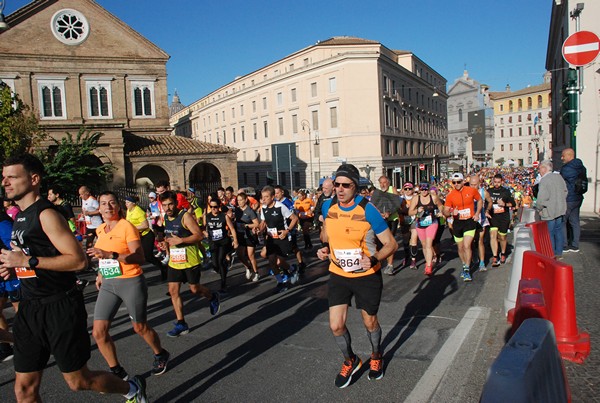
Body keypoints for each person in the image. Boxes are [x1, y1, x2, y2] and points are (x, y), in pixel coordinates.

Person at [0, 153, 147, 402]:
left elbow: (78, 260)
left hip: (59, 306)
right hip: (29, 307)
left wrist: (28, 261)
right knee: (23, 391)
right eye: (4, 177)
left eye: (12, 177)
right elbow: (35, 258)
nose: (5, 182)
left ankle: (131, 389)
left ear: (34, 179)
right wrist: (16, 268)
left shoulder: (46, 214)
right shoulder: (19, 218)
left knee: (79, 381)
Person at [317, 164, 398, 388]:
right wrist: (324, 249)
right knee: (335, 325)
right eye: (336, 185)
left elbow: (391, 244)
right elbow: (326, 236)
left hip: (366, 275)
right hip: (338, 274)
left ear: (356, 187)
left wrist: (373, 259)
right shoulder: (327, 207)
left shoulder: (368, 210)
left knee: (369, 322)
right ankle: (351, 360)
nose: (340, 189)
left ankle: (375, 355)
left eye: (346, 185)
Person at [88, 191, 170, 380]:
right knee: (98, 332)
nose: (107, 207)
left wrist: (112, 255)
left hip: (130, 281)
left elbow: (139, 257)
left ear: (118, 206)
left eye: (111, 203)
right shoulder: (100, 229)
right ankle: (117, 372)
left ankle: (160, 353)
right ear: (98, 208)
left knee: (139, 327)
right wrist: (101, 274)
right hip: (109, 282)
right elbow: (101, 256)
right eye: (103, 203)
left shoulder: (127, 227)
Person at [159, 191, 221, 337]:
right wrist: (165, 244)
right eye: (164, 205)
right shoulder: (165, 218)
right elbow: (169, 236)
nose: (167, 208)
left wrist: (181, 240)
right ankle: (181, 323)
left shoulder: (184, 216)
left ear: (176, 203)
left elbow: (199, 235)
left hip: (190, 260)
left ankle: (212, 297)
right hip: (175, 261)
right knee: (173, 291)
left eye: (170, 204)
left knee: (195, 289)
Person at [259, 186, 300, 293]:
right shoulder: (263, 208)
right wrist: (258, 229)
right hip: (271, 239)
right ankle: (280, 282)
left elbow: (294, 218)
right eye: (263, 197)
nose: (264, 199)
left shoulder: (280, 206)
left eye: (266, 197)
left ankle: (292, 269)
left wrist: (287, 230)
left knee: (278, 262)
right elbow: (263, 223)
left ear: (273, 197)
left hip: (283, 238)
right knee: (272, 261)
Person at [443, 173, 482, 282]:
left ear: (463, 181)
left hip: (469, 222)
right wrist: (451, 213)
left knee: (466, 245)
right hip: (458, 223)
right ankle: (465, 264)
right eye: (454, 182)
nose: (456, 184)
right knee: (460, 248)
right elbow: (445, 211)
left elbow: (479, 200)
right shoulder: (450, 195)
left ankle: (466, 269)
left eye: (458, 182)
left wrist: (477, 213)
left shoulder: (471, 191)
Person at [204, 194, 238, 295]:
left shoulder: (224, 216)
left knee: (220, 260)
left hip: (223, 241)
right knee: (215, 264)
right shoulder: (207, 216)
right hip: (213, 242)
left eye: (216, 207)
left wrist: (235, 240)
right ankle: (223, 268)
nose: (214, 209)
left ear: (219, 207)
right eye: (212, 207)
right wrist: (204, 232)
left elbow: (232, 228)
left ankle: (223, 284)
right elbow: (203, 228)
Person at [124, 196, 166, 280]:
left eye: (128, 202)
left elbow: (145, 225)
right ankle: (134, 275)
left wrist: (133, 228)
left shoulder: (138, 211)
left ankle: (163, 268)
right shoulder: (129, 210)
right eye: (126, 202)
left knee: (148, 256)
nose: (126, 204)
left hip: (146, 235)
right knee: (134, 254)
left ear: (133, 203)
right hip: (137, 236)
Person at [408, 183, 443, 275]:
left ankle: (428, 266)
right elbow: (410, 212)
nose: (424, 191)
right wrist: (417, 211)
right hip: (420, 223)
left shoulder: (433, 197)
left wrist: (441, 212)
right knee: (424, 245)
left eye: (426, 189)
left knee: (428, 244)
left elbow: (441, 206)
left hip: (432, 223)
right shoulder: (416, 198)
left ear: (428, 189)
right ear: (419, 190)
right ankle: (429, 261)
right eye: (422, 190)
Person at [536, 159, 567, 258]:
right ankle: (559, 252)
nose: (539, 171)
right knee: (558, 231)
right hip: (560, 209)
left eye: (540, 168)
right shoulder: (559, 177)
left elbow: (541, 199)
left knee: (549, 233)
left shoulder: (544, 180)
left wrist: (539, 209)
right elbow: (566, 191)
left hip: (549, 210)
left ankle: (551, 254)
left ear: (544, 169)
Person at [370, 178, 401, 274]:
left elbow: (397, 203)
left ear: (388, 183)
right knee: (378, 243)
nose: (383, 185)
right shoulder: (376, 192)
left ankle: (390, 265)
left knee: (390, 242)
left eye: (385, 182)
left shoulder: (393, 190)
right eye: (381, 183)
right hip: (381, 220)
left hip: (392, 219)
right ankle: (378, 261)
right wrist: (379, 213)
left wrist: (389, 212)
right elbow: (372, 205)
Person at [0, 207, 19, 362]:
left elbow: (14, 247)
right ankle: (6, 347)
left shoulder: (3, 222)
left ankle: (35, 341)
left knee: (21, 311)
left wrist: (12, 265)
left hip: (10, 273)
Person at [485, 174, 515, 267]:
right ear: (492, 181)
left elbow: (513, 204)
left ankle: (503, 253)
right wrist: (486, 211)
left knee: (502, 237)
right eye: (495, 182)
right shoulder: (489, 191)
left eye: (498, 182)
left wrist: (504, 204)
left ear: (502, 182)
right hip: (493, 217)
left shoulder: (505, 192)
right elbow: (484, 203)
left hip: (503, 217)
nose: (497, 184)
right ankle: (495, 256)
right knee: (493, 235)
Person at [560, 148, 586, 253]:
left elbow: (561, 181)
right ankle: (575, 245)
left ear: (569, 156)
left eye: (563, 156)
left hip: (569, 197)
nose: (562, 158)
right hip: (578, 197)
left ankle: (565, 245)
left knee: (563, 221)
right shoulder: (581, 167)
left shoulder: (566, 169)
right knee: (575, 221)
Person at [468, 175, 493, 272]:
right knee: (470, 241)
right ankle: (474, 254)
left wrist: (487, 210)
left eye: (475, 185)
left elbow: (490, 202)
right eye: (471, 185)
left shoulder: (483, 192)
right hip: (470, 219)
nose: (473, 187)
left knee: (480, 240)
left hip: (481, 219)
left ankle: (482, 263)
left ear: (479, 184)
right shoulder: (466, 192)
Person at [234, 192, 260, 282]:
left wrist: (247, 226)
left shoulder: (250, 211)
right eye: (238, 200)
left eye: (241, 200)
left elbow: (257, 224)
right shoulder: (237, 210)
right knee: (240, 255)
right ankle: (248, 267)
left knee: (250, 256)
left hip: (250, 236)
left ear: (245, 200)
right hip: (240, 235)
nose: (239, 202)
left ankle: (256, 273)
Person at [79, 186, 103, 268]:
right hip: (89, 226)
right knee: (88, 245)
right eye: (80, 194)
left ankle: (103, 262)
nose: (80, 196)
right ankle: (89, 263)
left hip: (97, 226)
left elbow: (100, 210)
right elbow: (84, 209)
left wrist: (90, 213)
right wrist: (83, 214)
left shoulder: (92, 200)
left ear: (87, 193)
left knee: (101, 244)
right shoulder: (83, 200)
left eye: (82, 194)